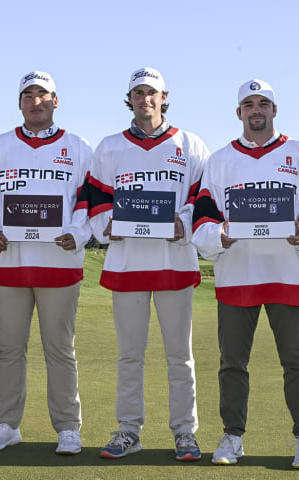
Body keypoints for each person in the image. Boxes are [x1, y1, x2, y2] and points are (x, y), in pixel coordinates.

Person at [191, 79, 299, 469]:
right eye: (248, 104)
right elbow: (202, 223)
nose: (256, 110)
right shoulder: (219, 161)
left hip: (288, 273)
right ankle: (232, 436)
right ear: (239, 113)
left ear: (274, 110)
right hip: (237, 275)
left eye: (263, 103)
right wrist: (221, 235)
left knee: (296, 361)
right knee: (232, 362)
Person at [82, 67, 209, 461]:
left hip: (174, 262)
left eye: (151, 92)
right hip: (127, 265)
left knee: (179, 354)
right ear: (130, 99)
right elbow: (97, 203)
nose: (145, 99)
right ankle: (128, 429)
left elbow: (202, 200)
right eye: (138, 93)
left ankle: (185, 432)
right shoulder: (109, 147)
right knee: (129, 354)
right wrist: (109, 227)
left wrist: (182, 223)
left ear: (164, 96)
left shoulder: (190, 145)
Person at [0, 71, 91, 455]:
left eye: (43, 95)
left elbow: (88, 203)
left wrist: (78, 232)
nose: (35, 101)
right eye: (28, 95)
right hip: (10, 263)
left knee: (60, 348)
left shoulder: (78, 147)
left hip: (60, 264)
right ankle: (7, 424)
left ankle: (68, 428)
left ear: (56, 101)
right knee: (9, 349)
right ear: (19, 102)